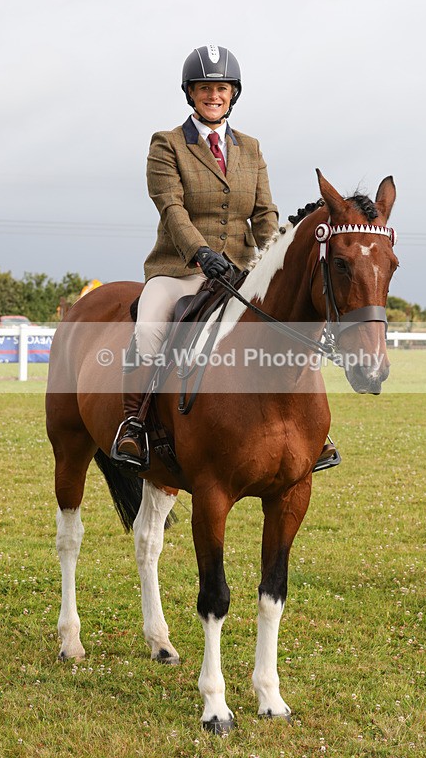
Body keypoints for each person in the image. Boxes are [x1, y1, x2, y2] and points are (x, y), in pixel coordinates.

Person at [111, 44, 338, 473]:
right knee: (151, 324)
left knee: (288, 325)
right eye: (204, 88)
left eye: (221, 88)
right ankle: (134, 424)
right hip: (180, 270)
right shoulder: (167, 144)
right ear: (190, 93)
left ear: (233, 93)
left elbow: (265, 213)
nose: (213, 95)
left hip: (241, 270)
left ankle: (312, 430)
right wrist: (200, 252)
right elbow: (171, 208)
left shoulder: (250, 148)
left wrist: (273, 261)